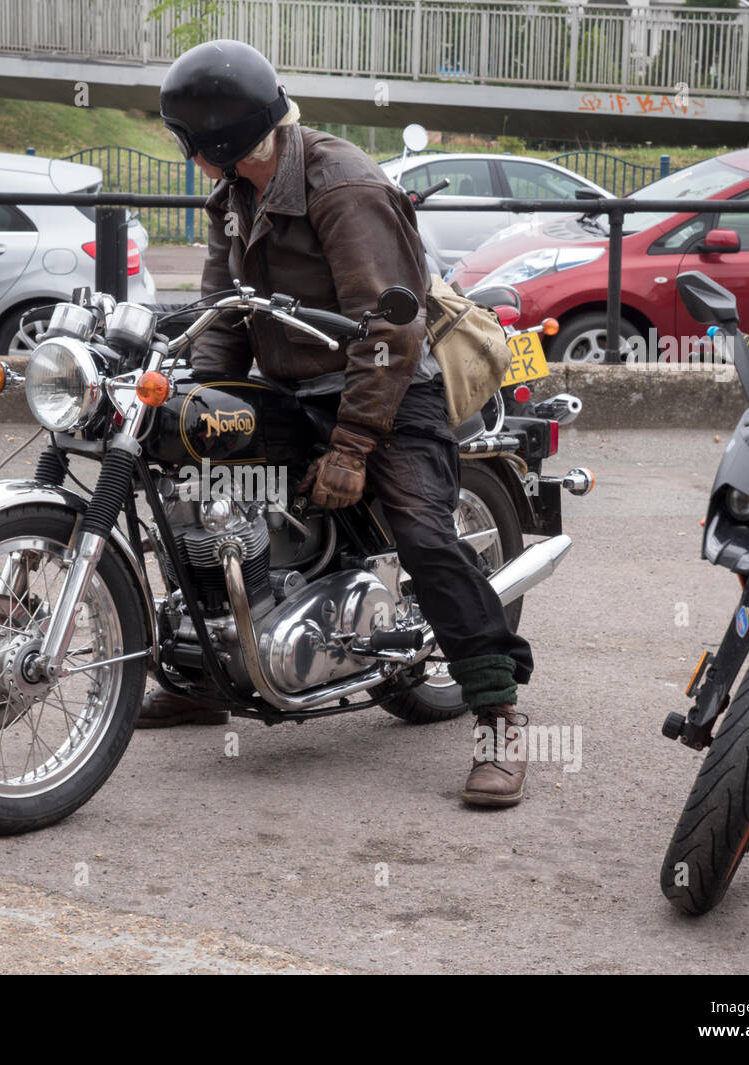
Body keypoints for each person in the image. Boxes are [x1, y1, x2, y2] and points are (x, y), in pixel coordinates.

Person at [147, 39, 535, 807]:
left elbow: (390, 332)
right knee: (194, 472)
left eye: (188, 137)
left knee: (424, 537)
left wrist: (353, 446)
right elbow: (224, 312)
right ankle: (212, 669)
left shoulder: (341, 185)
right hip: (295, 387)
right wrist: (195, 388)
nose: (186, 151)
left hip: (387, 391)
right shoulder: (233, 192)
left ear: (215, 139)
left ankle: (498, 712)